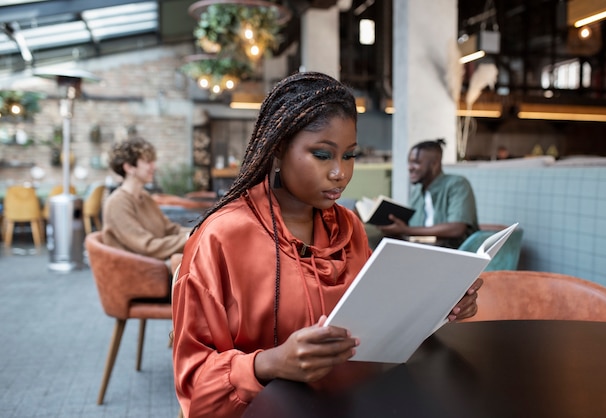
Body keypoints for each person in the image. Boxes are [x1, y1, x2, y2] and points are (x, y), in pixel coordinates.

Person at [171, 72, 482, 418]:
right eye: (322, 155)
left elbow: (376, 323)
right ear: (278, 149)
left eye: (349, 156)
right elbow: (195, 383)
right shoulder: (221, 237)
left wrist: (438, 305)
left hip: (356, 403)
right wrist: (269, 364)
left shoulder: (350, 228)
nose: (340, 173)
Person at [102, 137, 190, 266]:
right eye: (148, 161)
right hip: (139, 273)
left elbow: (170, 230)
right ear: (129, 167)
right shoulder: (116, 204)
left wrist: (199, 231)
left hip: (157, 266)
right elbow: (147, 247)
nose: (154, 167)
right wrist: (190, 238)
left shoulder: (146, 198)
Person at [378, 139, 478, 249]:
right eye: (409, 162)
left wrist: (406, 230)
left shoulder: (457, 184)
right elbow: (413, 227)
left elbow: (456, 229)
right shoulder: (417, 191)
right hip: (422, 251)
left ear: (434, 164)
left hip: (454, 254)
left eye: (416, 162)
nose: (410, 168)